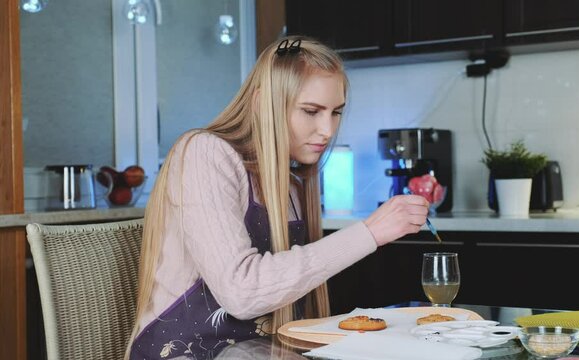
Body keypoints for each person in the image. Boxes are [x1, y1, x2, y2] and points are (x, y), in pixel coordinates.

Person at [126, 36, 429, 360]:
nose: (327, 130)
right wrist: (369, 232)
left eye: (335, 112)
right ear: (261, 103)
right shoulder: (204, 154)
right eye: (311, 111)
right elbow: (242, 293)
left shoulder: (292, 185)